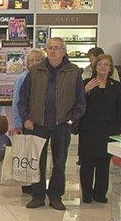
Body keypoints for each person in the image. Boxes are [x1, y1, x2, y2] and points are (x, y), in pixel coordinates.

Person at [18, 37, 86, 210]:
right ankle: (37, 196)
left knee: (60, 162)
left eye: (57, 48)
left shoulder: (74, 71)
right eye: (50, 48)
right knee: (37, 162)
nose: (53, 51)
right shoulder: (35, 71)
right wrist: (26, 118)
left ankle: (56, 196)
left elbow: (80, 101)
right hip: (38, 124)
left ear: (64, 51)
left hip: (62, 124)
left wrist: (71, 120)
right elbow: (23, 98)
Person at [78, 54, 121, 204]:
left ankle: (100, 194)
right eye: (100, 64)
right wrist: (84, 91)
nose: (103, 67)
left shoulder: (116, 86)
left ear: (110, 68)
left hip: (109, 129)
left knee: (104, 163)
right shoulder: (85, 83)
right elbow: (77, 103)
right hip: (89, 128)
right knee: (87, 163)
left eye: (106, 65)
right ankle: (87, 194)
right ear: (95, 67)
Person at [10, 49, 46, 194]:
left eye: (38, 60)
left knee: (38, 154)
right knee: (28, 153)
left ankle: (37, 182)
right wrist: (18, 123)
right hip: (27, 122)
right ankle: (27, 184)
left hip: (42, 122)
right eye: (31, 60)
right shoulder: (22, 78)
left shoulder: (46, 77)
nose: (34, 63)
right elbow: (17, 102)